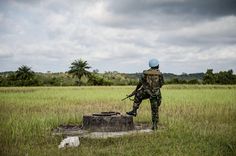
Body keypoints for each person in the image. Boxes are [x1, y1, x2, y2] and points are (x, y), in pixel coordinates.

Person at [126, 58, 164, 130]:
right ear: (157, 66)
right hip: (155, 94)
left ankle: (134, 111)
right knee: (155, 109)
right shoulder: (160, 74)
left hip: (146, 92)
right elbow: (161, 84)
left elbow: (140, 83)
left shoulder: (145, 73)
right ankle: (155, 126)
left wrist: (136, 91)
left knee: (138, 95)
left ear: (150, 65)